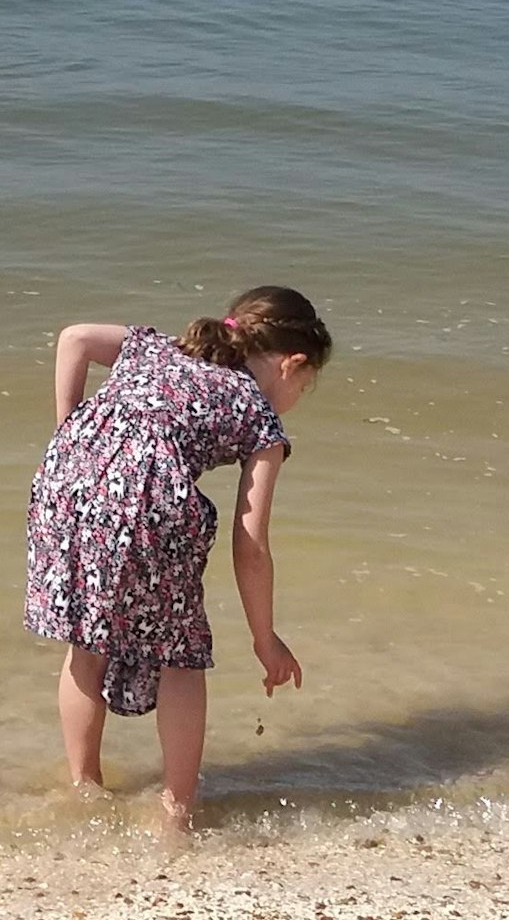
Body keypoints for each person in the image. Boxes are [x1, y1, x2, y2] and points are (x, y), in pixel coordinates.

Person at [27, 286, 330, 835]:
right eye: (303, 388)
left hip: (64, 487)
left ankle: (85, 791)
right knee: (181, 657)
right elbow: (250, 543)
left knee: (88, 644)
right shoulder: (259, 418)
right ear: (292, 363)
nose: (296, 398)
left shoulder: (158, 347)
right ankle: (175, 814)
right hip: (146, 508)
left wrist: (68, 435)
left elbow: (74, 339)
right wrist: (265, 639)